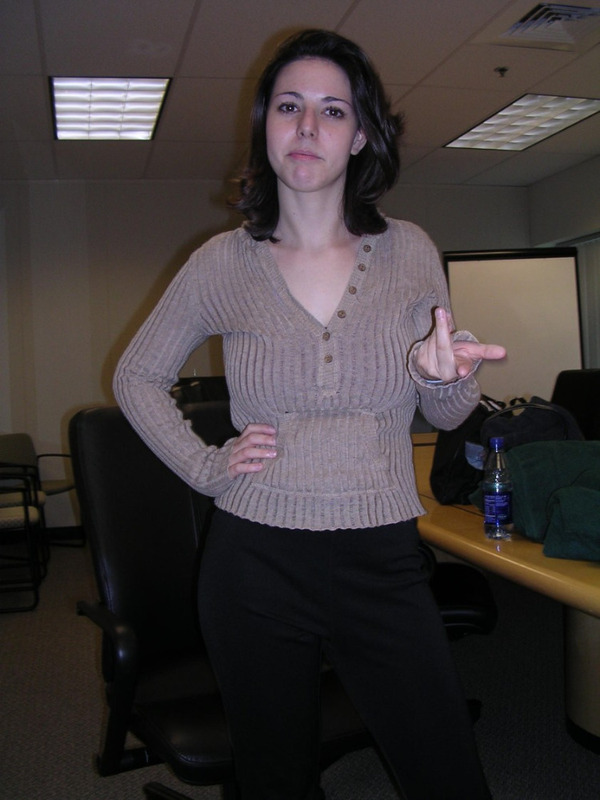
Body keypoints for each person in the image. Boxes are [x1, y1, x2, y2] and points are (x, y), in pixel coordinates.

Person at [114, 28, 504, 800]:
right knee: (278, 783)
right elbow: (136, 376)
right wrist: (207, 467)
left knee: (449, 777)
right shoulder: (221, 263)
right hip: (254, 563)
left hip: (382, 558)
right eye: (289, 106)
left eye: (333, 110)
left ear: (360, 136)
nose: (307, 125)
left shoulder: (410, 252)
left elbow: (444, 406)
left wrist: (444, 376)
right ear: (266, 125)